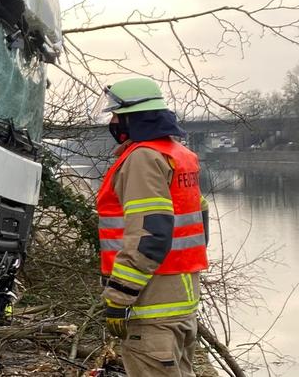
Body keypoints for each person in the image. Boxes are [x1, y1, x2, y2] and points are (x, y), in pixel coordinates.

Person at [98, 78, 210, 377]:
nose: (112, 122)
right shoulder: (179, 155)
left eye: (116, 115)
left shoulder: (143, 158)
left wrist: (119, 296)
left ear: (133, 117)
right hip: (180, 304)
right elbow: (201, 222)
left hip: (151, 307)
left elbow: (150, 236)